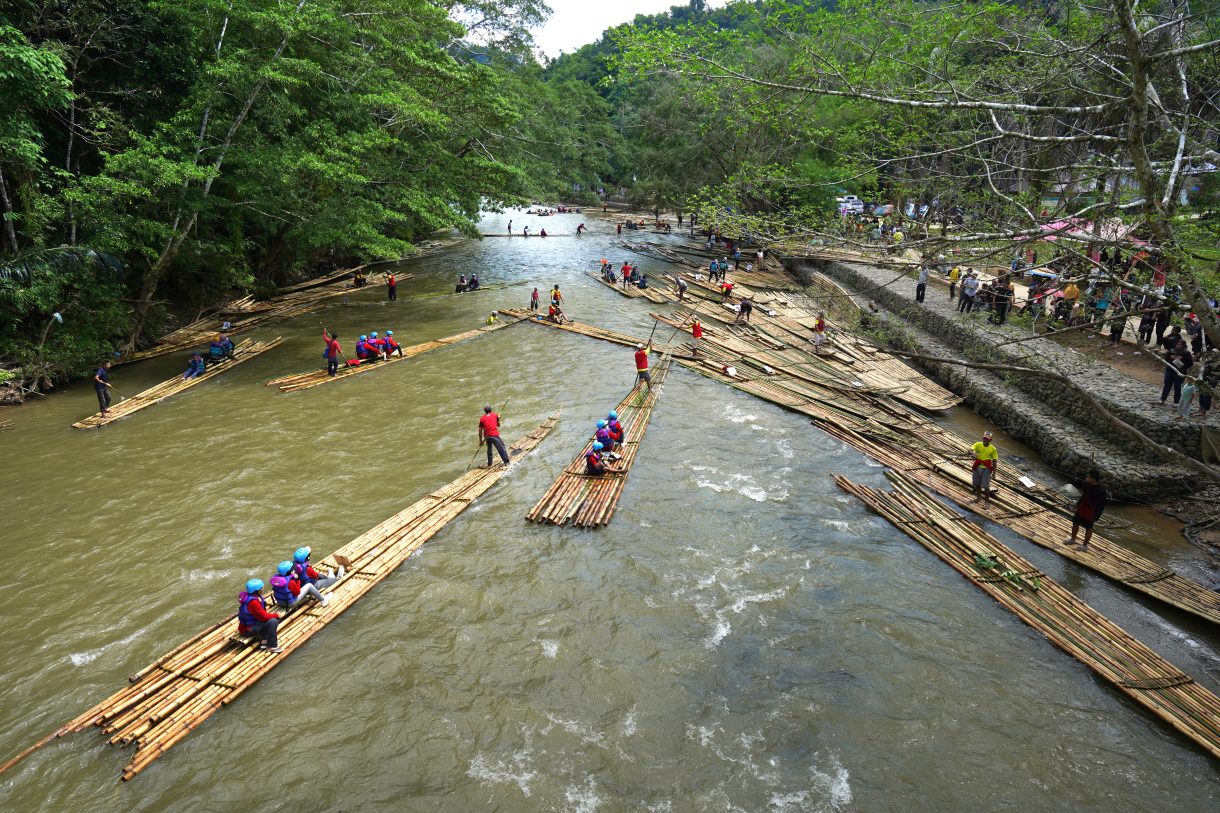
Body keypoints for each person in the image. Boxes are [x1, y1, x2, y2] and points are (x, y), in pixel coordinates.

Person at [1064, 469, 1107, 552]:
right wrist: (1078, 505)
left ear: (1093, 479)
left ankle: (1084, 545)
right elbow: (1084, 495)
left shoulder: (1101, 490)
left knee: (1088, 527)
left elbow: (1101, 505)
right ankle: (1073, 539)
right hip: (1082, 508)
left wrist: (1097, 516)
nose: (1086, 478)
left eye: (1088, 477)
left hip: (1091, 511)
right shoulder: (1088, 485)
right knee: (1075, 523)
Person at [237, 579, 282, 653]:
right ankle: (272, 646)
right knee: (273, 622)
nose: (263, 589)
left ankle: (263, 644)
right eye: (261, 588)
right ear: (256, 591)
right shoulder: (253, 602)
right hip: (248, 629)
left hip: (249, 625)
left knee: (270, 622)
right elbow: (264, 617)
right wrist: (276, 615)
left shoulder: (252, 596)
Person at [1160, 339, 1193, 405]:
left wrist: (1180, 365)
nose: (1178, 346)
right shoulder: (1171, 351)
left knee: (1177, 387)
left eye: (1180, 345)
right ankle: (1162, 399)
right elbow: (1167, 359)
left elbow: (1190, 364)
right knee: (1167, 386)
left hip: (1179, 373)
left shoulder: (1186, 353)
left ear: (1183, 346)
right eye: (1177, 344)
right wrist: (1172, 362)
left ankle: (1176, 402)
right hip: (1169, 371)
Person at [970, 430, 998, 505]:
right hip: (977, 466)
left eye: (987, 439)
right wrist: (973, 453)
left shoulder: (993, 449)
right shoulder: (978, 444)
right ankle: (978, 498)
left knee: (986, 486)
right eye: (984, 438)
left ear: (990, 440)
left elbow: (994, 461)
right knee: (977, 484)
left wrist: (994, 473)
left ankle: (986, 502)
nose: (985, 440)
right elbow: (970, 450)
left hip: (986, 468)